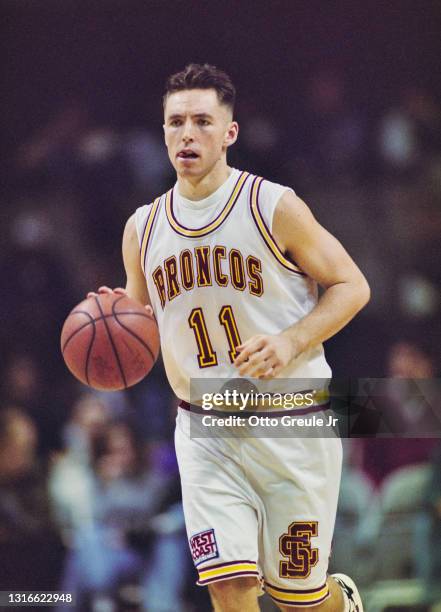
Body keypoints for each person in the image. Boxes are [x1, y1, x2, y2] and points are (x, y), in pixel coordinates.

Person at [89, 63, 370, 611]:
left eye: (201, 121)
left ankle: (340, 600)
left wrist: (289, 341)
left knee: (299, 600)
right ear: (162, 131)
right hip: (204, 428)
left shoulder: (273, 207)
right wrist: (115, 325)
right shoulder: (142, 228)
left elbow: (352, 286)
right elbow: (141, 329)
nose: (187, 134)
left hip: (293, 419)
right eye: (175, 123)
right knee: (230, 588)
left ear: (230, 132)